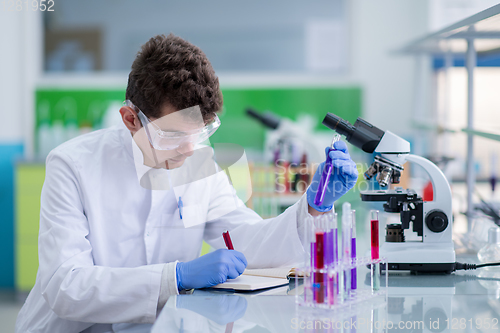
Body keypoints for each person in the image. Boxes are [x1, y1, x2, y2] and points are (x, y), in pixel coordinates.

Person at [15, 34, 358, 333]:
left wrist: (313, 207)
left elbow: (245, 241)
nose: (189, 149)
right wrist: (173, 277)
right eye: (174, 134)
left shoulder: (198, 159)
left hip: (162, 325)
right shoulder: (72, 164)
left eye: (202, 132)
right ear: (131, 119)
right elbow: (67, 287)